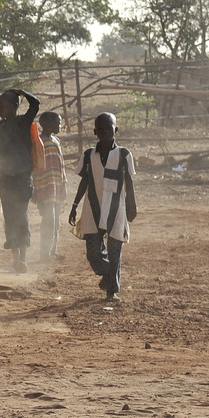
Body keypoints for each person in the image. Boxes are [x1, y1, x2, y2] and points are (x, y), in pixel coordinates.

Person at [70, 112, 137, 302]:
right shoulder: (89, 155)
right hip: (92, 207)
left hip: (117, 208)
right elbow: (84, 182)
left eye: (109, 128)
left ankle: (111, 291)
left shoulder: (124, 154)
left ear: (116, 130)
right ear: (95, 132)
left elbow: (129, 181)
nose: (105, 132)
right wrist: (74, 205)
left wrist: (133, 205)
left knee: (115, 250)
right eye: (101, 129)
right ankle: (107, 275)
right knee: (92, 252)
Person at [0, 87, 41, 272]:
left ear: (15, 106)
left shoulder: (23, 122)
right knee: (10, 217)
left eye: (3, 105)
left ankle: (23, 259)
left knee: (21, 215)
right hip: (7, 178)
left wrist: (22, 92)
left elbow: (35, 104)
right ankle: (17, 259)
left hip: (23, 177)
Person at [34, 111, 67, 260]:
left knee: (56, 220)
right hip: (44, 185)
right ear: (46, 124)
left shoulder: (55, 140)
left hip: (56, 185)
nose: (60, 125)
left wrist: (64, 184)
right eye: (57, 122)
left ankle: (52, 251)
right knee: (49, 219)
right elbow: (35, 165)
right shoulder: (39, 141)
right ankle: (44, 253)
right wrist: (34, 187)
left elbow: (61, 165)